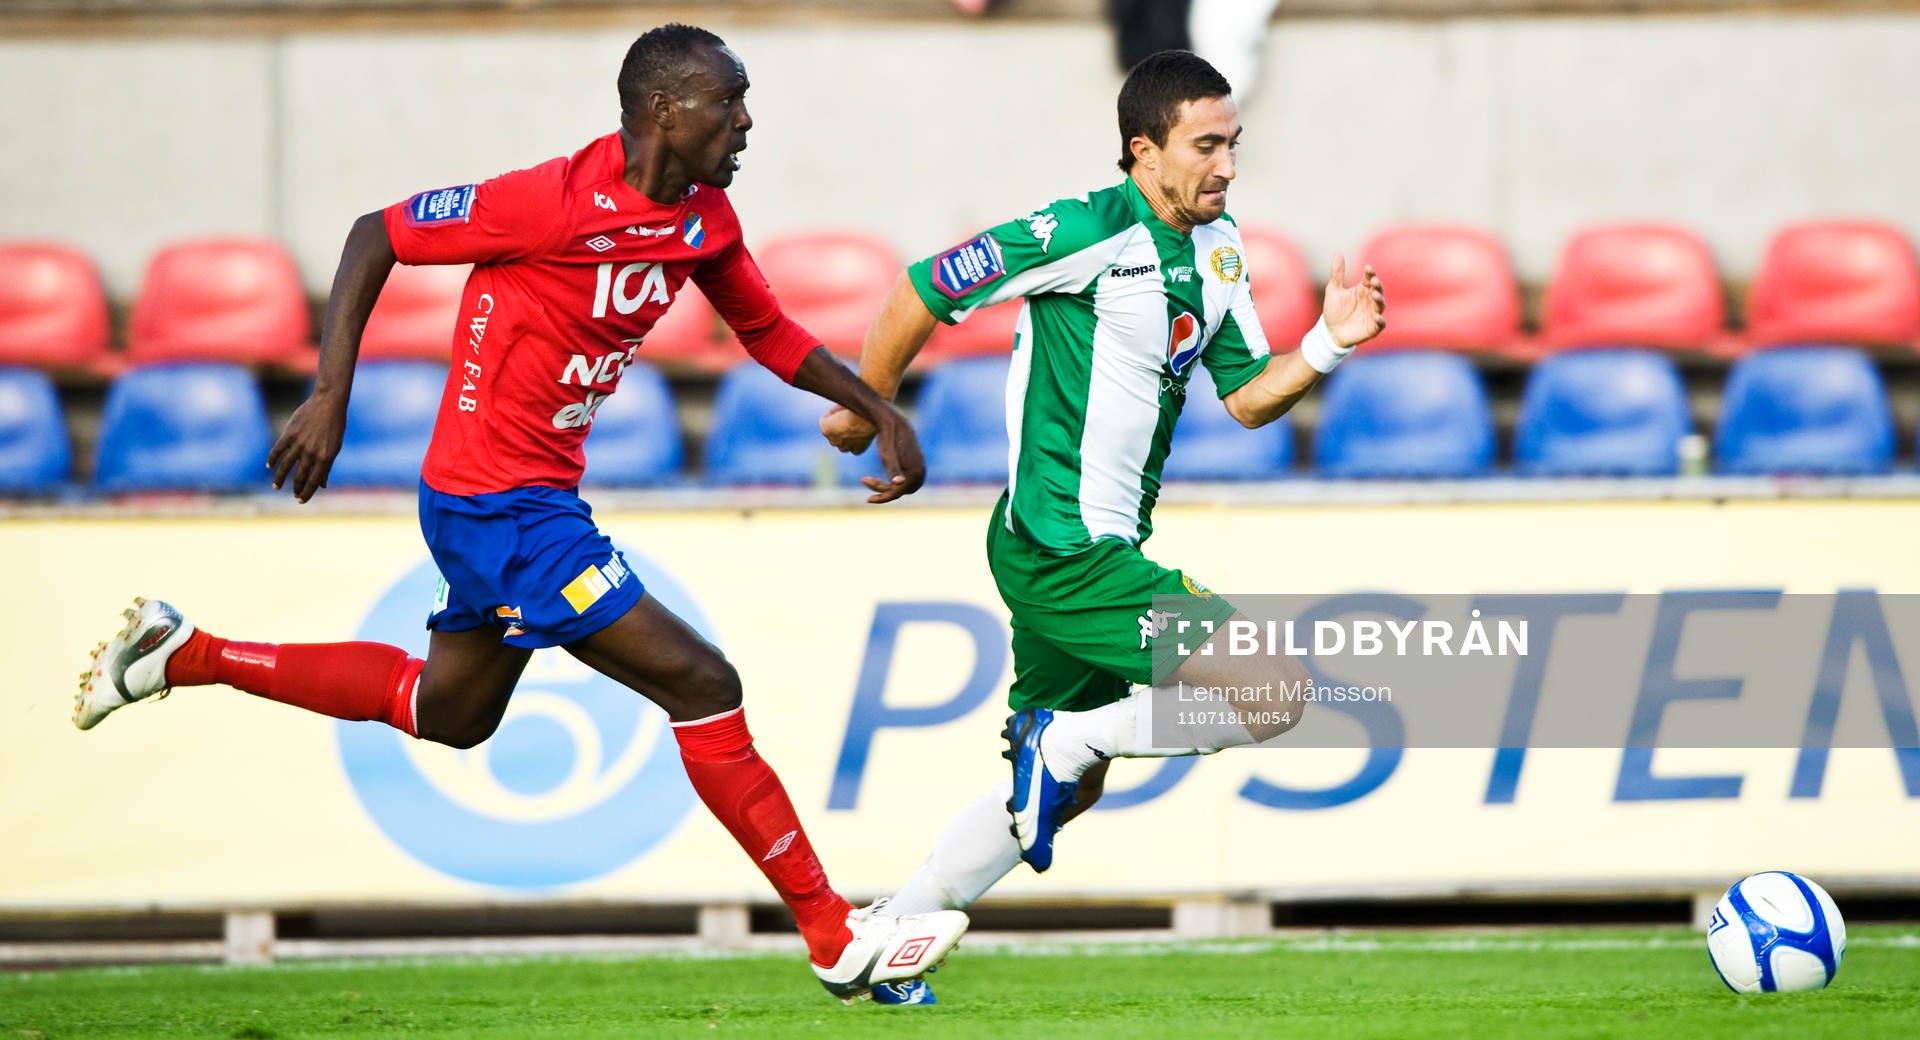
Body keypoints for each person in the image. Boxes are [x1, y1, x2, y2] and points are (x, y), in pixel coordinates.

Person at [74, 23, 964, 1002]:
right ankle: (831, 930)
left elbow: (766, 329)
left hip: (526, 500)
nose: (746, 121)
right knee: (704, 681)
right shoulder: (546, 202)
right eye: (729, 101)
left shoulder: (704, 218)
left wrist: (881, 407)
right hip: (498, 503)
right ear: (664, 110)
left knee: (450, 712)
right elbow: (377, 232)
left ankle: (183, 652)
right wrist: (331, 393)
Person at [819, 49, 1385, 1004]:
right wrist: (870, 402)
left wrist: (1327, 343)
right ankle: (1069, 741)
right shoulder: (1083, 230)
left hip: (1091, 552)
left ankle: (883, 942)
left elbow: (1248, 398)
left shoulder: (1220, 250)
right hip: (1061, 547)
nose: (1228, 166)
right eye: (1205, 146)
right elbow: (924, 286)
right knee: (1269, 690)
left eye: (1234, 144)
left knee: (1066, 791)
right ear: (1143, 150)